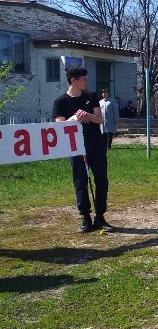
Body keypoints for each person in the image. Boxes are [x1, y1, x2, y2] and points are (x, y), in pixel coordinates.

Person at [52, 66, 113, 233]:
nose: (87, 81)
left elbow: (99, 120)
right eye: (84, 79)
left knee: (101, 180)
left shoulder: (91, 96)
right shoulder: (61, 102)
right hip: (76, 147)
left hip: (96, 144)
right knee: (80, 181)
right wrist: (73, 119)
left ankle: (100, 216)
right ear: (74, 80)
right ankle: (85, 217)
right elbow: (59, 125)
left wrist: (88, 116)